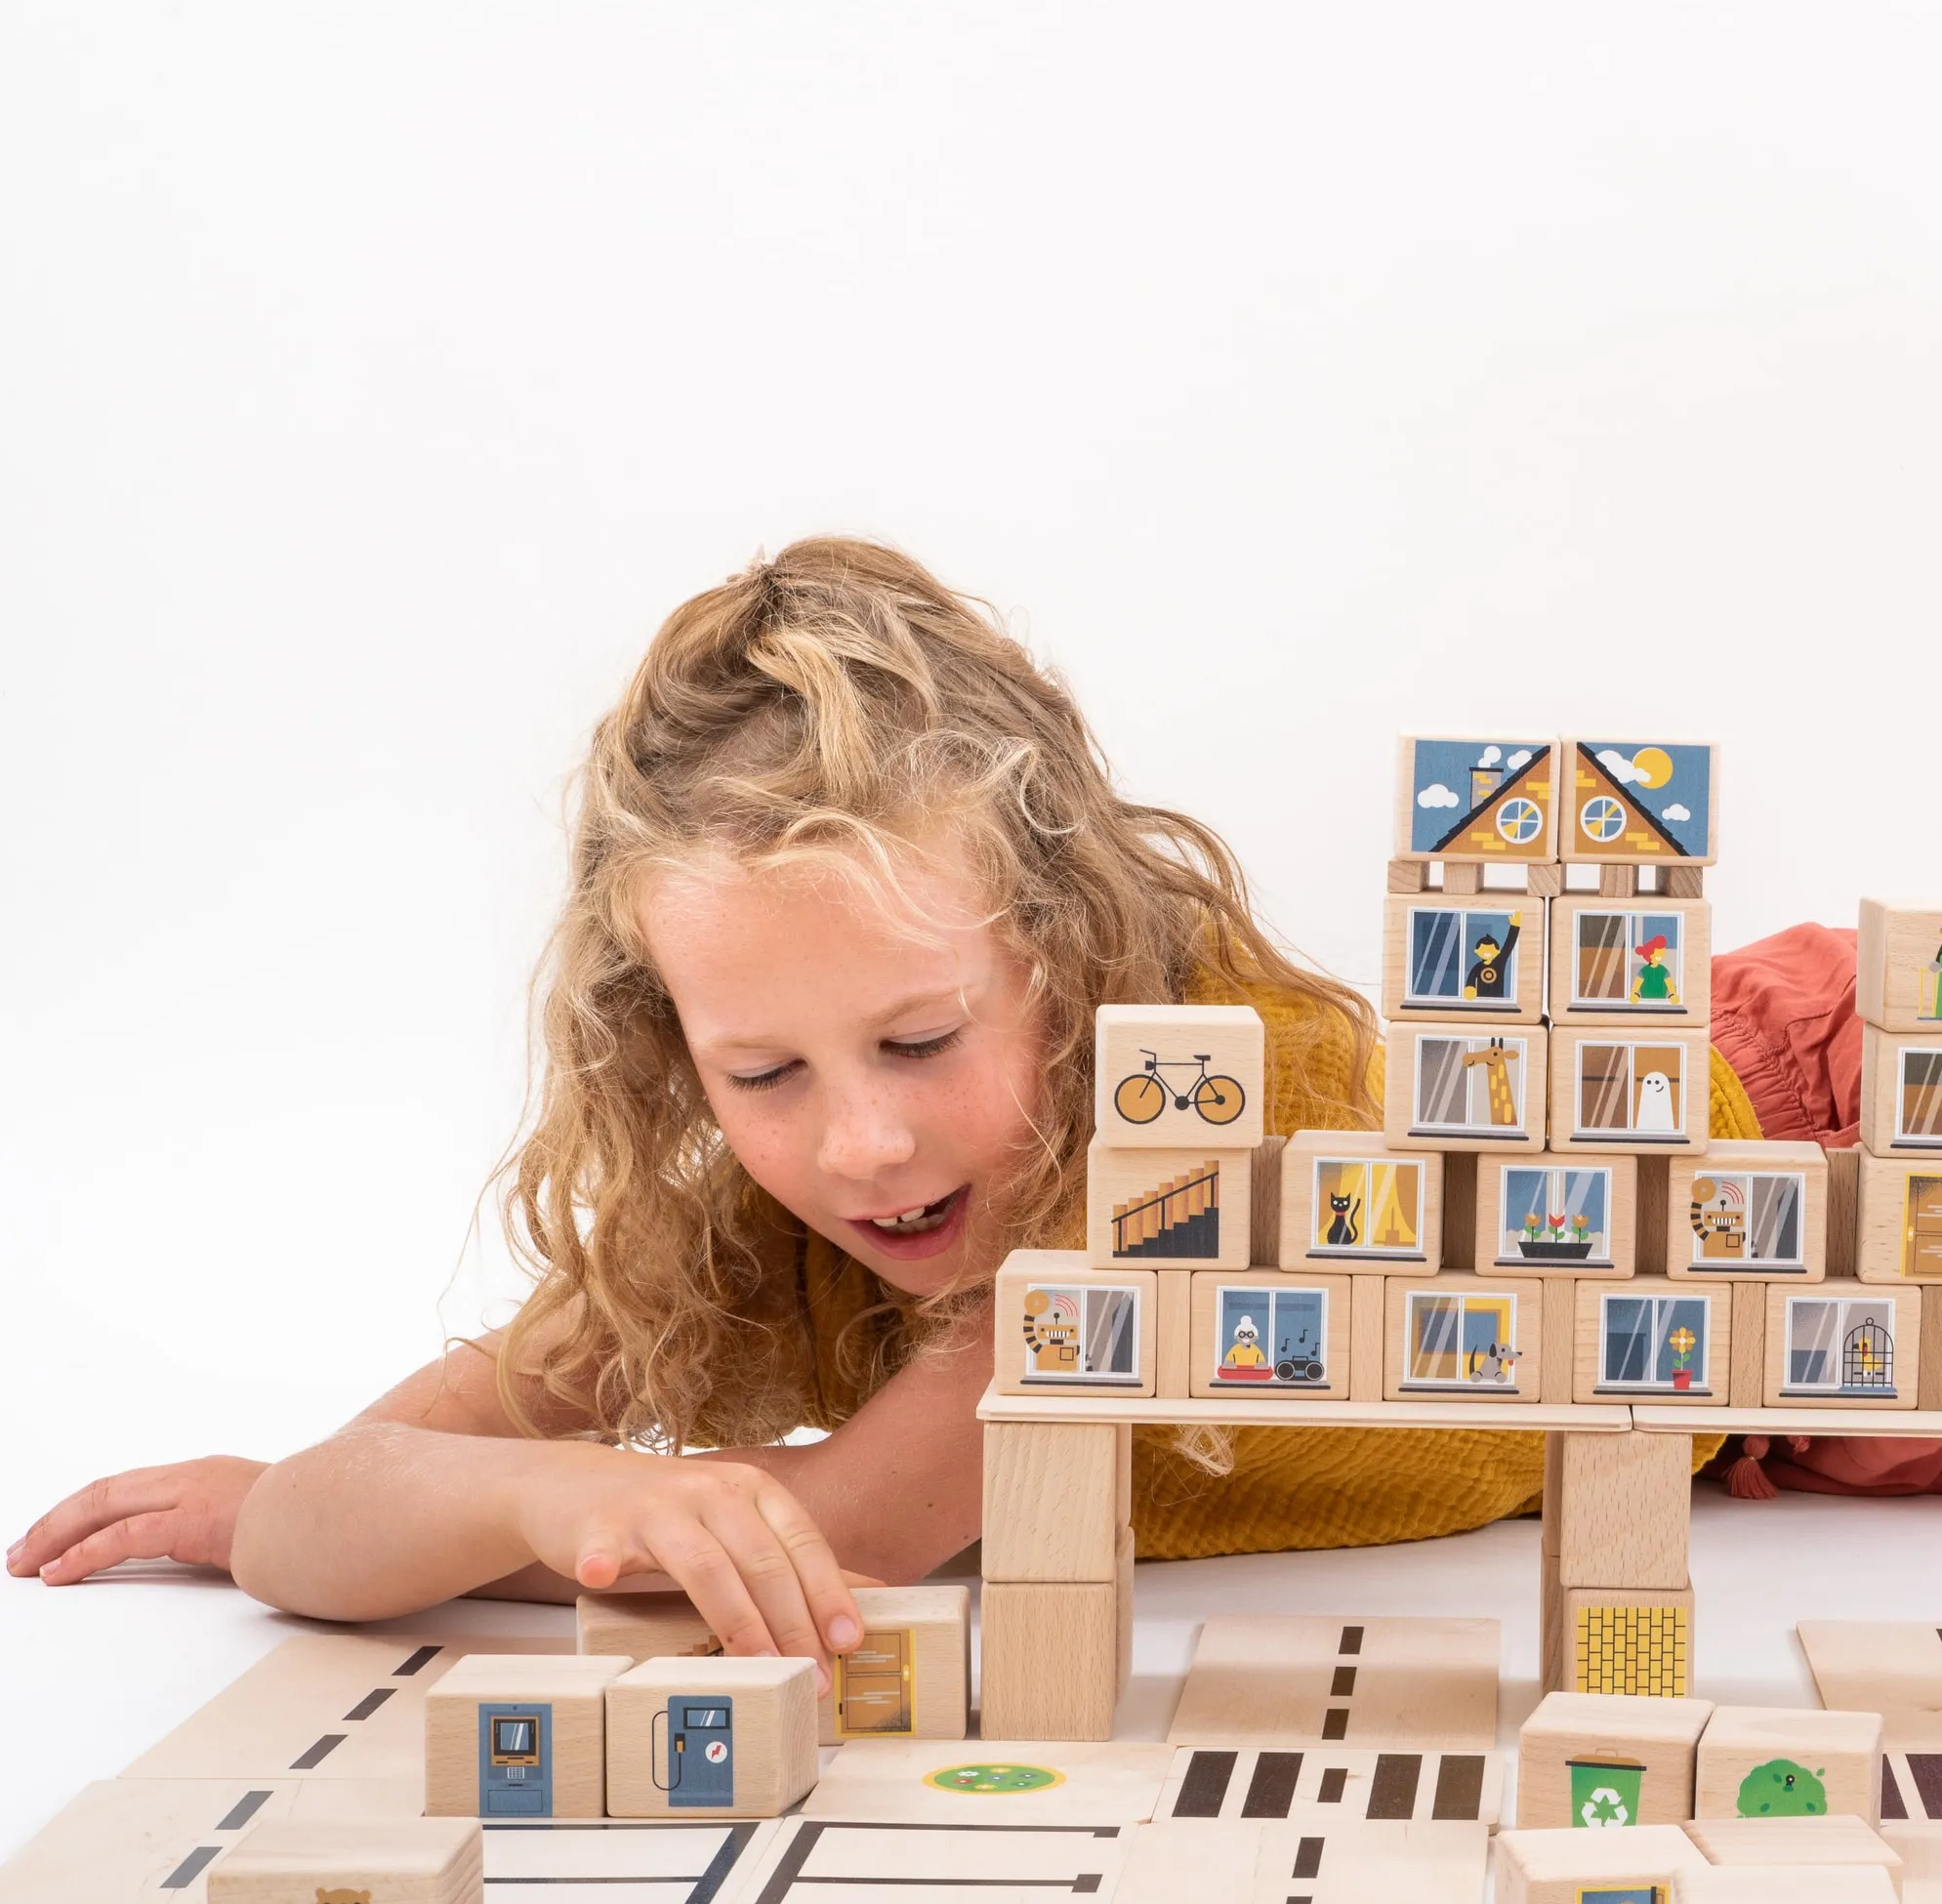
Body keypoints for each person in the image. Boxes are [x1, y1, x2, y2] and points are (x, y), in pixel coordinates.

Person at [8, 540, 1591, 1661]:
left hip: (1702, 1213)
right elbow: (323, 1508)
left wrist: (517, 1512)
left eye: (920, 1039)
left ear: (1069, 957)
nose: (863, 1144)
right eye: (762, 1073)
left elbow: (848, 1532)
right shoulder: (766, 1216)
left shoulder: (1195, 1126)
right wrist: (537, 1483)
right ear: (672, 1049)